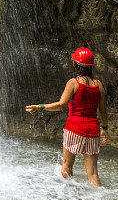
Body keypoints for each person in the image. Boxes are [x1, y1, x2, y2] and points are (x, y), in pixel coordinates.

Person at [25, 47, 108, 186]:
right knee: (93, 173)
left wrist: (40, 107)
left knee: (67, 166)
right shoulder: (99, 85)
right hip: (93, 129)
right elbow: (103, 111)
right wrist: (104, 129)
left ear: (76, 64)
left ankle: (65, 197)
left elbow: (62, 105)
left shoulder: (73, 83)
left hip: (74, 128)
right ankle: (101, 197)